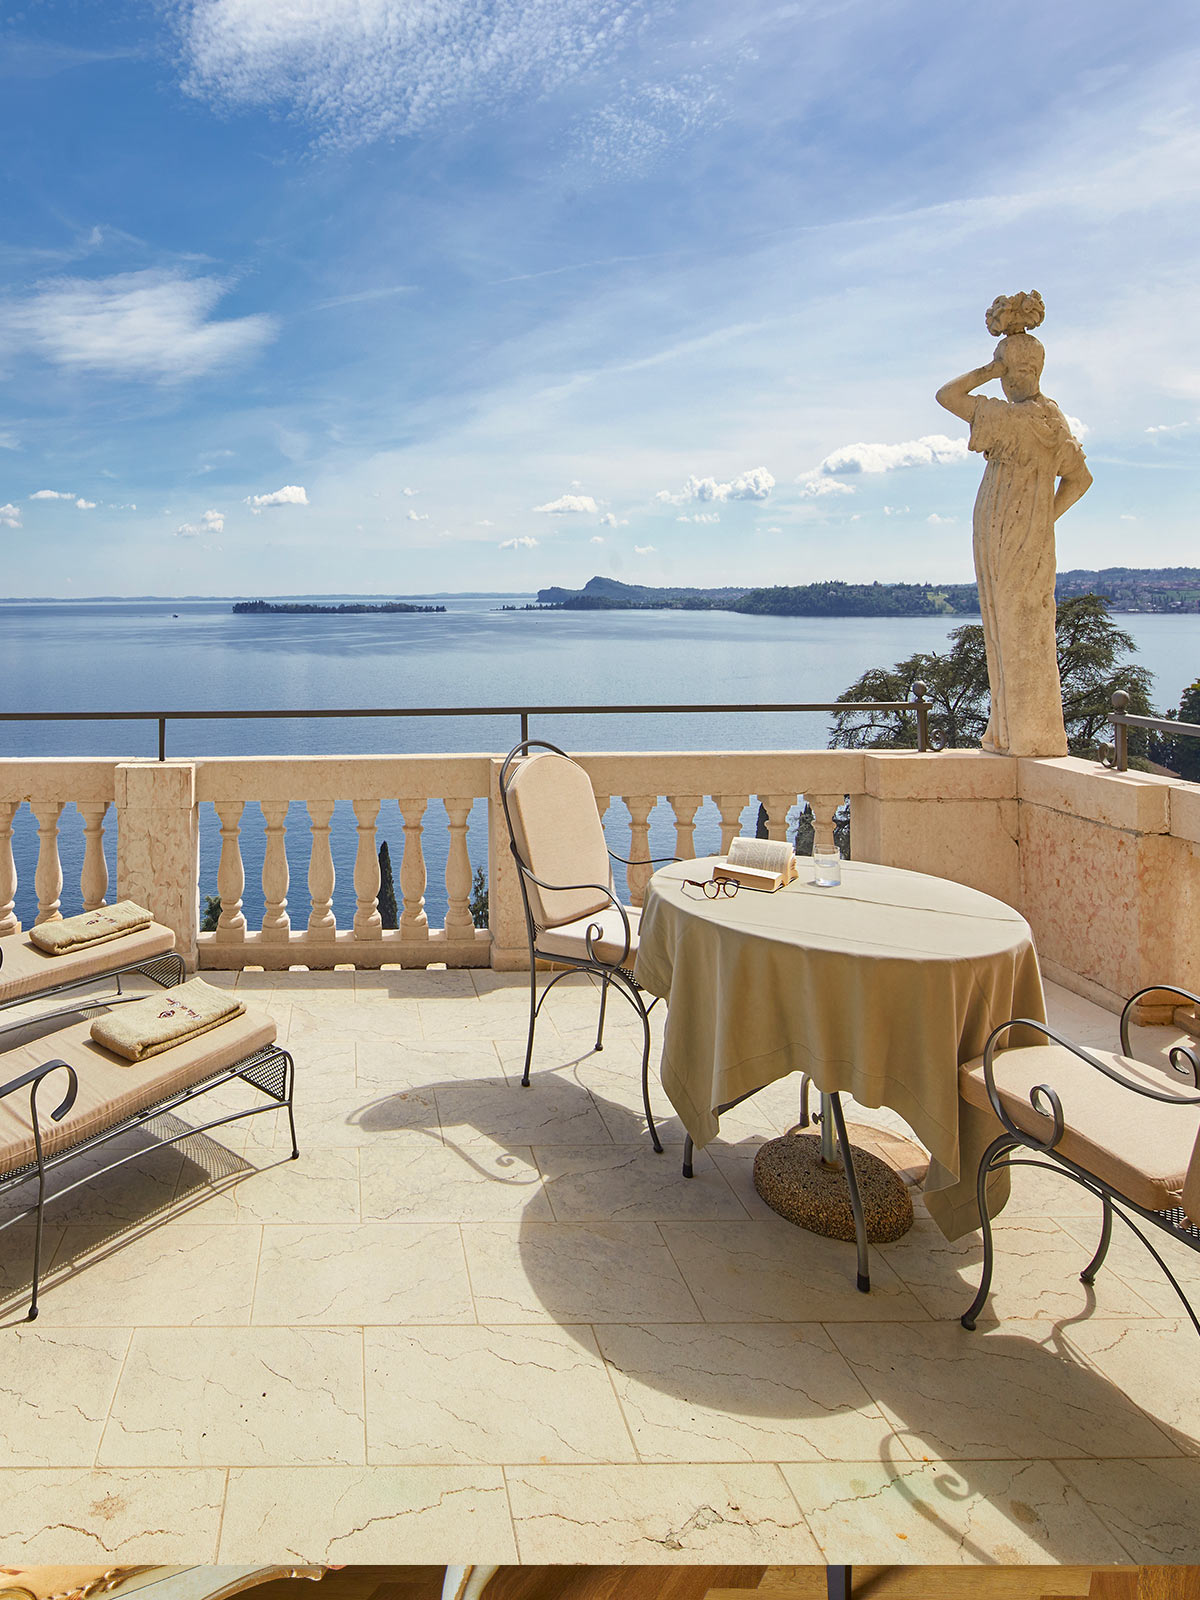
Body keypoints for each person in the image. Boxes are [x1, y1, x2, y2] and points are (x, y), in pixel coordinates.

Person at [936, 291, 1092, 756]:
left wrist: (990, 368)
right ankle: (1008, 731)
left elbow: (947, 396)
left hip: (1010, 532)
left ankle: (1025, 734)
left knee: (1015, 624)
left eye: (1013, 370)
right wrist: (1045, 519)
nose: (1010, 380)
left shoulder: (1015, 418)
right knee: (1012, 625)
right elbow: (1080, 480)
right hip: (1017, 531)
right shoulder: (1050, 417)